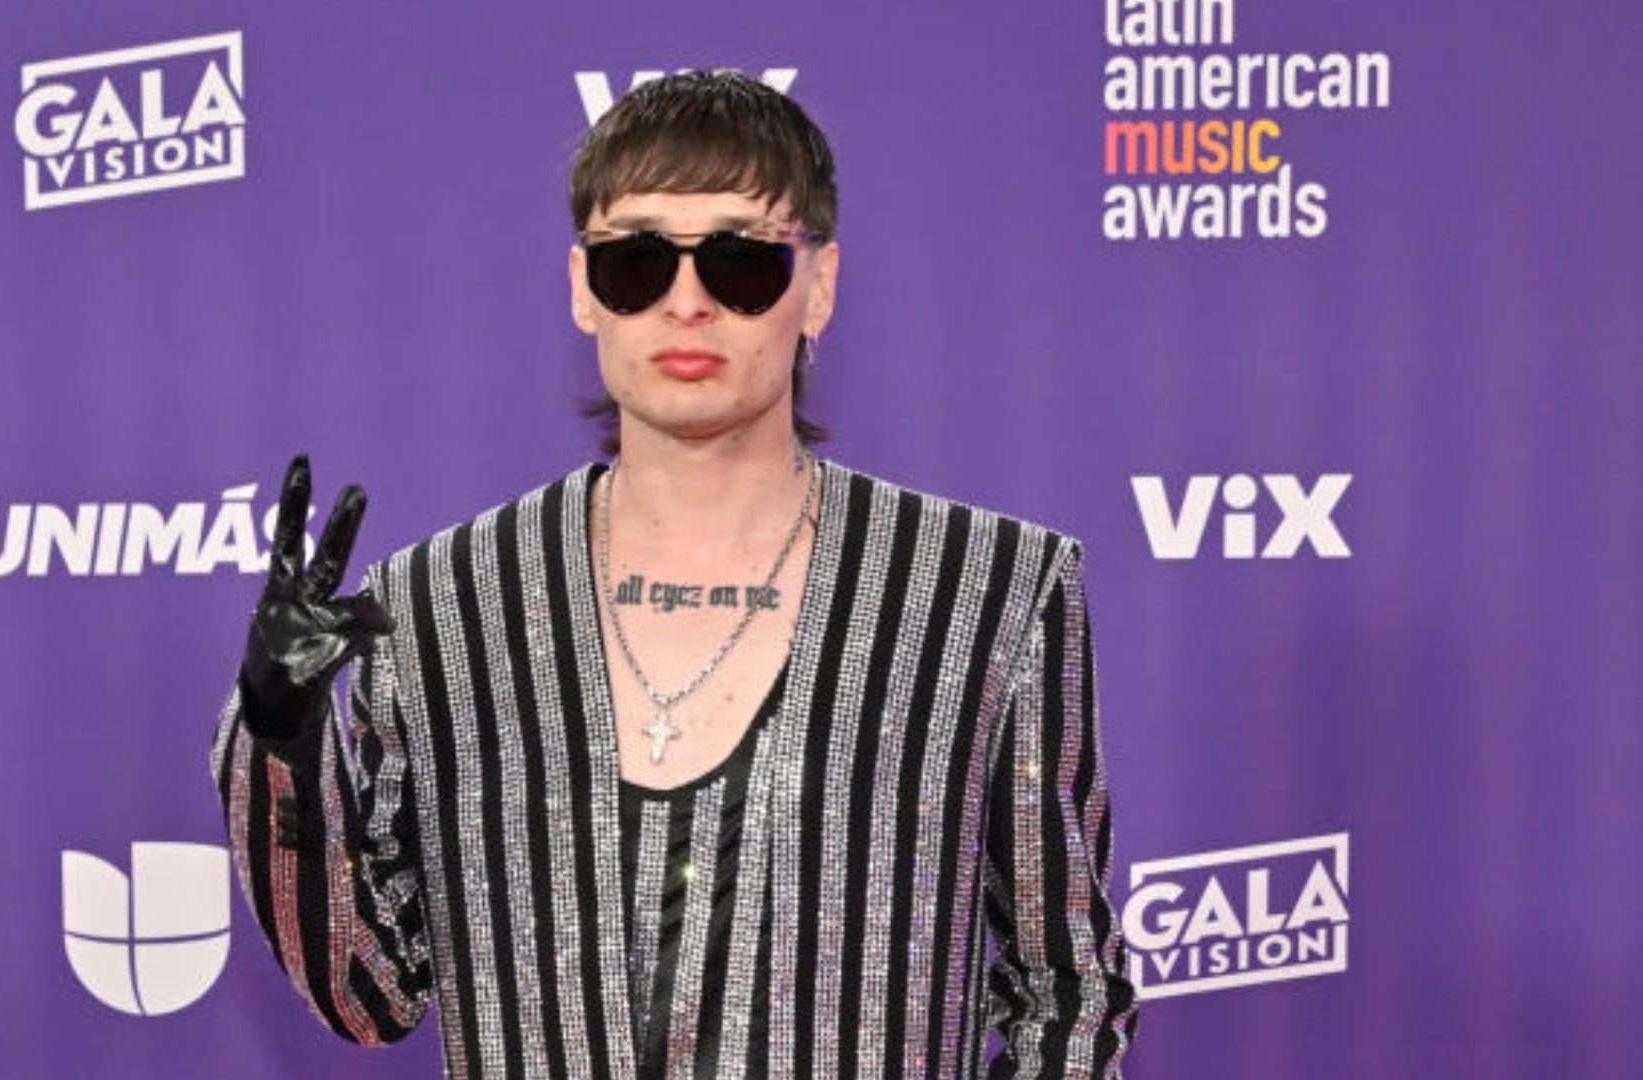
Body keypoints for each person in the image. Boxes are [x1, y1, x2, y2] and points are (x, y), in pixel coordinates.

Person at [211, 70, 1137, 1078]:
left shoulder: (984, 591)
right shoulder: (437, 607)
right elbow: (368, 993)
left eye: (740, 262)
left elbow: (1071, 993)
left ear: (817, 286)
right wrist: (280, 733)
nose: (686, 303)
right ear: (582, 291)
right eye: (637, 262)